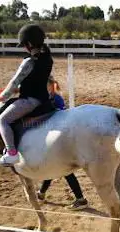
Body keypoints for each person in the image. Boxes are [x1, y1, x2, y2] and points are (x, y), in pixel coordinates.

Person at [0, 24, 53, 167]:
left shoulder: (28, 61)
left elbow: (14, 81)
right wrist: (20, 89)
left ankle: (11, 153)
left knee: (2, 120)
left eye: (24, 45)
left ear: (30, 44)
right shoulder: (47, 58)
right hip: (43, 99)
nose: (24, 48)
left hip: (30, 101)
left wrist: (3, 96)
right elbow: (38, 80)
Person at [36, 76, 89, 211]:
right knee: (53, 166)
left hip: (59, 138)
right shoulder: (47, 97)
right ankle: (41, 194)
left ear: (50, 86)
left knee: (63, 169)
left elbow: (59, 116)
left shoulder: (56, 99)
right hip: (54, 137)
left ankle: (80, 199)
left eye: (44, 86)